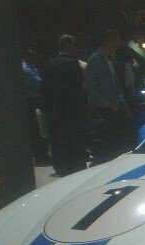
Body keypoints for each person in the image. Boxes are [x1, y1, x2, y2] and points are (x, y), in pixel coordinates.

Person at [41, 35, 88, 176]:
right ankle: (76, 164)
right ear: (67, 45)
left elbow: (44, 88)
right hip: (73, 110)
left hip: (55, 111)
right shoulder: (73, 64)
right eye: (73, 44)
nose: (75, 47)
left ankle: (60, 165)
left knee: (58, 139)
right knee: (74, 139)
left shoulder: (50, 64)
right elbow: (80, 87)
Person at [84, 29, 133, 162]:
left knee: (113, 147)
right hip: (103, 110)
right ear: (109, 41)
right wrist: (107, 103)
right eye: (116, 41)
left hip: (113, 109)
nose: (118, 44)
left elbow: (117, 88)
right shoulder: (95, 60)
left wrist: (124, 107)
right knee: (105, 149)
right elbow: (90, 88)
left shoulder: (108, 60)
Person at [22, 48, 48, 165]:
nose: (36, 58)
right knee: (37, 130)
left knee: (39, 129)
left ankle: (42, 155)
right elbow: (39, 84)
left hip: (35, 101)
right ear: (28, 56)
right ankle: (40, 156)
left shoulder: (31, 67)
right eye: (33, 56)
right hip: (33, 102)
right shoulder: (26, 69)